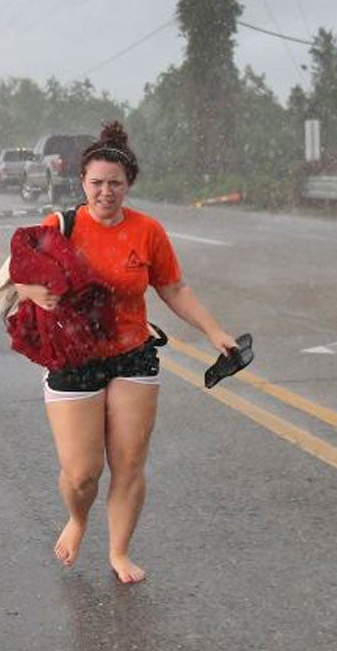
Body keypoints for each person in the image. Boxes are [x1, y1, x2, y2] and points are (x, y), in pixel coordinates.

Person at [13, 121, 237, 583]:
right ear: (82, 183)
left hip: (132, 353)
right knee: (82, 475)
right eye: (96, 183)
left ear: (129, 185)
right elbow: (17, 277)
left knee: (129, 465)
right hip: (73, 357)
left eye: (115, 183)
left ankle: (118, 552)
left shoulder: (147, 231)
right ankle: (78, 518)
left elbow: (174, 288)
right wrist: (35, 291)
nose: (105, 192)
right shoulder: (60, 226)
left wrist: (215, 332)